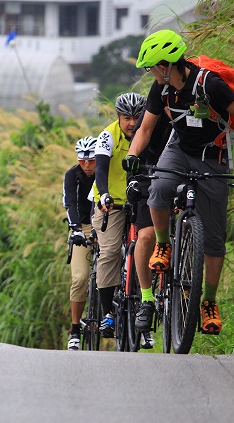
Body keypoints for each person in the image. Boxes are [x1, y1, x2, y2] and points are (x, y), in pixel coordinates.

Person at [123, 29, 234, 335]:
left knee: (214, 239)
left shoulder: (208, 85)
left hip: (213, 157)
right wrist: (133, 154)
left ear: (166, 65)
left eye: (152, 67)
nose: (151, 73)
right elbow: (146, 129)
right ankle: (164, 244)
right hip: (179, 150)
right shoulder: (160, 90)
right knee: (158, 188)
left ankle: (209, 303)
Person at [92, 92, 146, 338]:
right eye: (127, 118)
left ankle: (148, 303)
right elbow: (100, 169)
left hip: (138, 200)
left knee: (147, 245)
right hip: (110, 204)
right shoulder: (107, 136)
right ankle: (108, 314)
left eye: (137, 118)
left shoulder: (148, 133)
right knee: (111, 252)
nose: (132, 123)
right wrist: (103, 194)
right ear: (118, 117)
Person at [126, 111, 172, 336]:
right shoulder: (151, 112)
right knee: (145, 236)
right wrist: (132, 180)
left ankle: (186, 289)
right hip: (150, 177)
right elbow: (136, 149)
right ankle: (146, 299)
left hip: (182, 176)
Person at [62, 136, 97, 350]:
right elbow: (70, 202)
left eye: (91, 160)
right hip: (81, 228)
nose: (86, 165)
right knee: (80, 277)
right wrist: (76, 229)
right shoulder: (72, 175)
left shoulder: (106, 172)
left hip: (106, 226)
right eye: (82, 160)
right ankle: (75, 330)